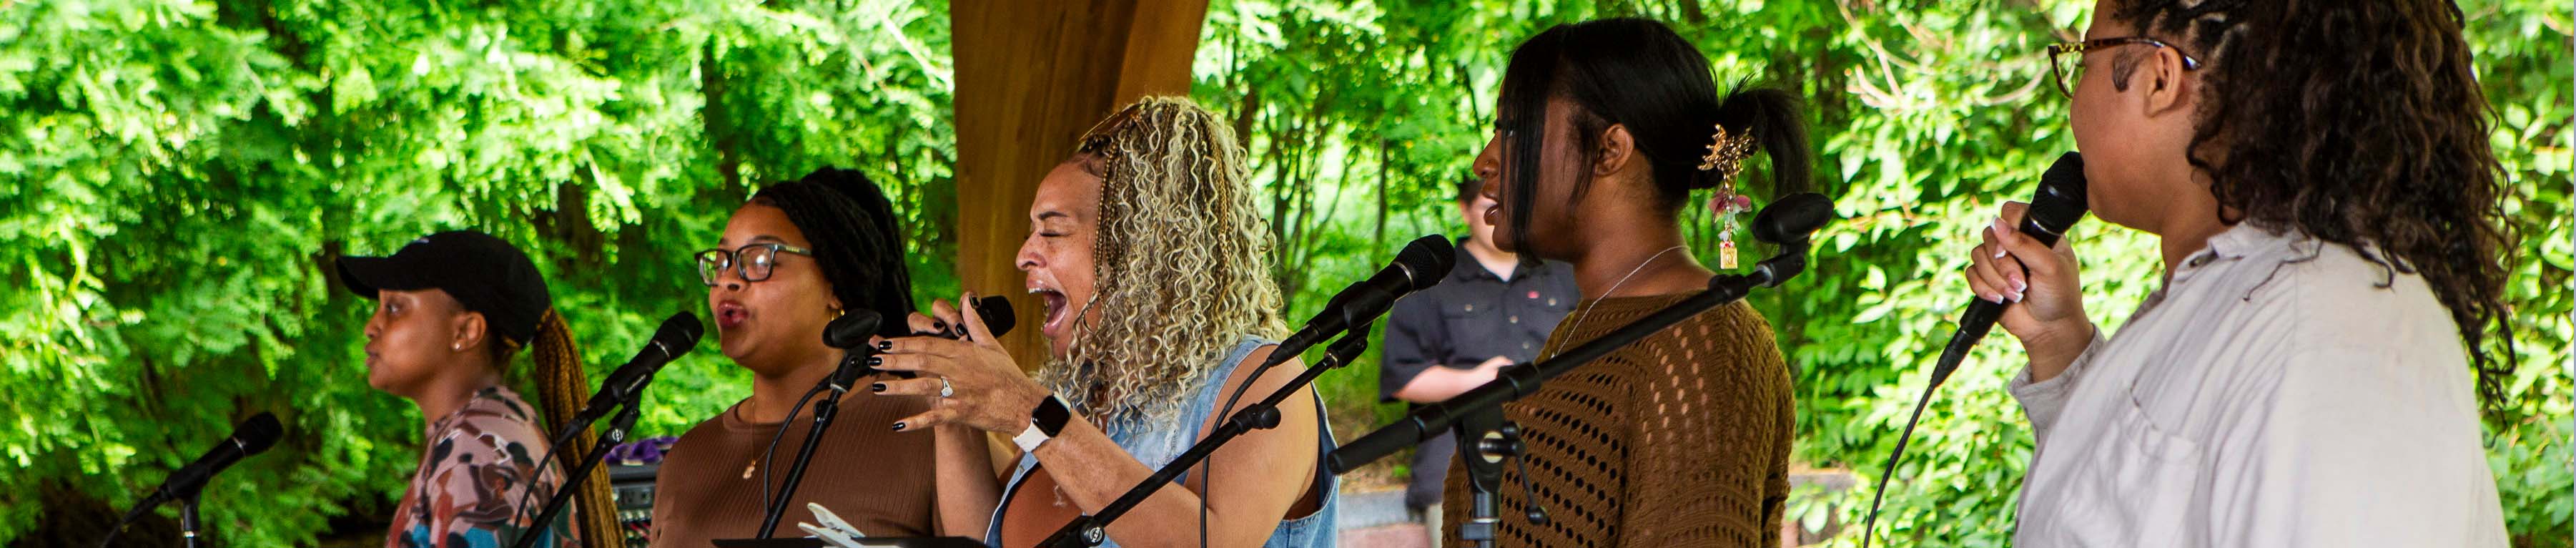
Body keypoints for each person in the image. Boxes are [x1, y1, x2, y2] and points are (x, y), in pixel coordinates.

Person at [1965, 1, 2515, 545]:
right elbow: (2134, 510)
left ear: (2160, 79)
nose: (2074, 98)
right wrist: (2059, 344)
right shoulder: (2246, 298)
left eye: (2083, 57)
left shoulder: (2330, 335)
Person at [868, 96, 1337, 547]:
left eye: (1051, 232)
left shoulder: (1264, 379)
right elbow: (979, 539)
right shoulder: (1081, 396)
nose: (1023, 255)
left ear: (1140, 250)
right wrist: (952, 406)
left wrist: (1022, 408)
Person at [1452, 17, 1812, 547]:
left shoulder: (1707, 347)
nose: (1486, 160)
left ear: (1609, 150)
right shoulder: (1589, 327)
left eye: (1512, 129)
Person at [648, 167, 939, 546]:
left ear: (834, 285)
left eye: (758, 259)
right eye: (722, 260)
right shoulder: (687, 458)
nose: (728, 280)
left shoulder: (927, 425)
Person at [338, 230, 615, 548]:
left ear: (466, 331)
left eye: (395, 308)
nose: (371, 326)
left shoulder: (477, 456)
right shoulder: (482, 434)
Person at [1378, 177, 1579, 544]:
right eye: (1490, 206)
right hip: (1457, 466)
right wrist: (1476, 382)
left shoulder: (1565, 274)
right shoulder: (1431, 285)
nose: (1503, 217)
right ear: (1464, 210)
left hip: (1562, 464)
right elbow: (1402, 377)